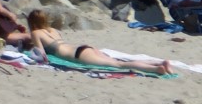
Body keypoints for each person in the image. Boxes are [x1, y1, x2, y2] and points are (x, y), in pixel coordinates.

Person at [26, 10, 173, 76]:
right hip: (82, 48)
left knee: (119, 65)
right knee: (116, 61)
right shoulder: (52, 30)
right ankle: (159, 62)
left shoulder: (35, 33)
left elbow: (41, 53)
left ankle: (156, 70)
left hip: (78, 55)